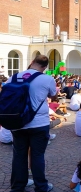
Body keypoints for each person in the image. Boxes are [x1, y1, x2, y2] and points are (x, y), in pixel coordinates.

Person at [7, 55, 56, 191]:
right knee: (37, 155)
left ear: (32, 62)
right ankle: (41, 186)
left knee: (19, 155)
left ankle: (17, 186)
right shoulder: (47, 78)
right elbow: (53, 96)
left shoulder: (15, 76)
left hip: (17, 122)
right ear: (45, 67)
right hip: (39, 123)